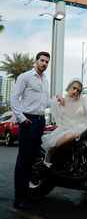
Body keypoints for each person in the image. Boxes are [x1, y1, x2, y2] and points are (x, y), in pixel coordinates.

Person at [11, 51, 54, 209]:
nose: (44, 64)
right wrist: (22, 118)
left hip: (40, 121)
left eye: (47, 62)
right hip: (28, 121)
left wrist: (57, 99)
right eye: (42, 60)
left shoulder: (45, 81)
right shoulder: (25, 77)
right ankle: (18, 198)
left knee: (32, 159)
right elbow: (14, 98)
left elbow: (46, 103)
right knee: (23, 160)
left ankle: (26, 192)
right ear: (36, 61)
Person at [41, 78, 87, 166]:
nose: (75, 91)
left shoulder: (83, 100)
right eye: (74, 88)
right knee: (72, 134)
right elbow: (59, 119)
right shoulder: (61, 101)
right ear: (68, 87)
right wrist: (57, 97)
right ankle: (51, 150)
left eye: (78, 90)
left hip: (82, 127)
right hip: (66, 129)